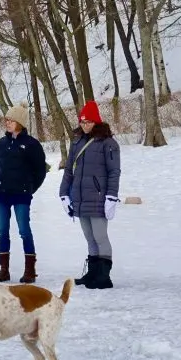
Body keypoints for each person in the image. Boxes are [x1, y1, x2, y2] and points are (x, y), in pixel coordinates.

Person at [59, 100, 121, 289]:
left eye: (88, 122)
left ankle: (104, 275)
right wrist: (64, 193)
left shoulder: (108, 143)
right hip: (80, 198)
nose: (84, 125)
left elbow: (114, 172)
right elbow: (69, 169)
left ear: (96, 122)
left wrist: (111, 196)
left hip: (99, 198)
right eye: (82, 122)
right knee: (89, 237)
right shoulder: (77, 142)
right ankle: (93, 273)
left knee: (100, 236)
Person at [0, 101, 48, 284]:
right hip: (2, 194)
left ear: (20, 123)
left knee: (24, 230)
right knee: (2, 231)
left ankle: (30, 270)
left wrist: (29, 188)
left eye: (11, 120)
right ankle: (4, 270)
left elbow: (40, 171)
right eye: (6, 119)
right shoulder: (2, 143)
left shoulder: (31, 145)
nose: (7, 123)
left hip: (21, 195)